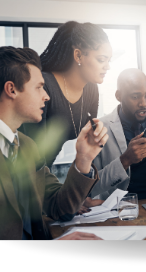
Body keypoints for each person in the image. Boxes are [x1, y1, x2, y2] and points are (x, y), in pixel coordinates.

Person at [0, 46, 109, 240]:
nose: (46, 95)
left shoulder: (27, 145)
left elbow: (59, 207)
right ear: (11, 89)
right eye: (39, 87)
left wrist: (83, 158)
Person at [20, 21, 112, 170]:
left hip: (48, 173)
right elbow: (33, 155)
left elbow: (89, 142)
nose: (107, 66)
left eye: (109, 60)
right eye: (101, 59)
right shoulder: (44, 86)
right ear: (78, 55)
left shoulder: (91, 89)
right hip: (23, 175)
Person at [92, 68, 146, 201]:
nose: (143, 103)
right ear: (118, 96)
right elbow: (91, 186)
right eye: (135, 97)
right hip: (118, 210)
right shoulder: (98, 129)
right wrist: (125, 160)